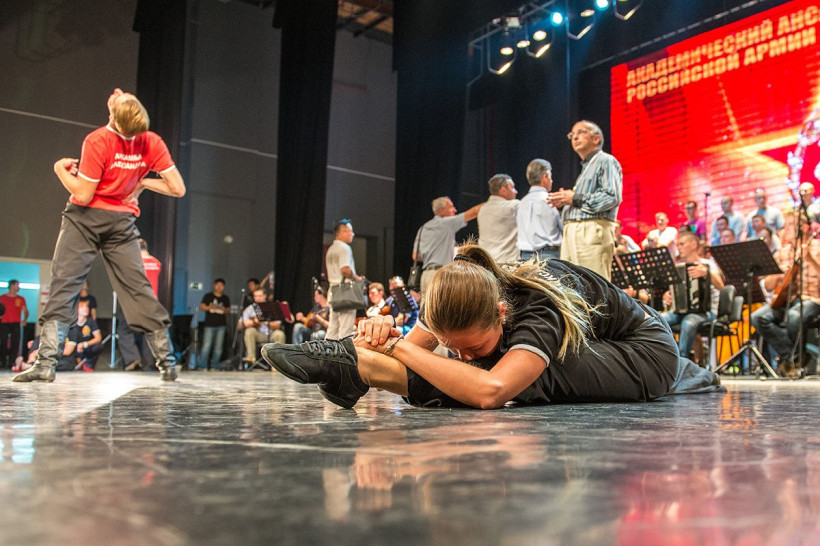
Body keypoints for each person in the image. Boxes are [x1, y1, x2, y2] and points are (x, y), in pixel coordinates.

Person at [260, 243, 723, 410]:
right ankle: (351, 372)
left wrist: (394, 350)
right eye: (454, 346)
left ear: (502, 313)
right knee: (476, 367)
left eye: (473, 346)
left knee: (522, 377)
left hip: (647, 351)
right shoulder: (462, 299)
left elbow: (490, 391)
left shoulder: (537, 307)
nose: (463, 356)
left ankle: (358, 373)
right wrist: (365, 340)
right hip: (599, 343)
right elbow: (425, 350)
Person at [13, 88, 185, 383]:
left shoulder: (98, 140)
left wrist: (59, 170)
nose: (118, 93)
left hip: (85, 219)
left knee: (64, 284)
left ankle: (45, 364)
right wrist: (143, 181)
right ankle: (167, 363)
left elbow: (83, 193)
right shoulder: (151, 141)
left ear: (114, 117)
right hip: (121, 222)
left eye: (122, 97)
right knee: (138, 289)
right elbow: (177, 188)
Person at [547, 120, 622, 280]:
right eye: (572, 134)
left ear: (596, 139)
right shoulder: (588, 166)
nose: (575, 137)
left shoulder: (606, 160)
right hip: (574, 232)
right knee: (572, 286)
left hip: (591, 231)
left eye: (581, 132)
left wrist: (574, 198)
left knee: (592, 285)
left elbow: (611, 196)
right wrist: (566, 201)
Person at [751, 216, 820, 377]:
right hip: (787, 300)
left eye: (789, 225)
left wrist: (810, 258)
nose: (784, 229)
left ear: (803, 228)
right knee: (758, 317)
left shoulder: (817, 246)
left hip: (813, 298)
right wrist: (778, 276)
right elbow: (768, 286)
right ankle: (794, 357)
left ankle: (791, 361)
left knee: (794, 315)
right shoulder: (783, 252)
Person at [660, 231, 724, 359]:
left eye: (682, 244)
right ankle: (665, 357)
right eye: (678, 245)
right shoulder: (678, 267)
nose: (679, 247)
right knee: (658, 319)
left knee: (688, 323)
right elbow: (674, 292)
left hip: (706, 312)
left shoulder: (708, 264)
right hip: (680, 312)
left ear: (694, 244)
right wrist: (666, 296)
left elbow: (721, 286)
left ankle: (681, 360)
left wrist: (706, 273)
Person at [413, 197, 483, 295]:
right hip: (440, 274)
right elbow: (473, 212)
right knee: (443, 304)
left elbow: (415, 256)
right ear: (442, 211)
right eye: (451, 207)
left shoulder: (423, 228)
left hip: (425, 276)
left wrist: (433, 255)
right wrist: (492, 202)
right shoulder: (446, 223)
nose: (455, 210)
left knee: (426, 304)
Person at [517, 159, 563, 260]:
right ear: (545, 177)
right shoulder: (549, 200)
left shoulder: (522, 202)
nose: (552, 181)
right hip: (548, 255)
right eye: (550, 177)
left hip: (524, 256)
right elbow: (563, 227)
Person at [326, 219, 363, 340]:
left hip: (333, 291)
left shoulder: (331, 249)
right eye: (350, 231)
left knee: (333, 329)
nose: (353, 234)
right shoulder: (344, 248)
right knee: (346, 330)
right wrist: (357, 278)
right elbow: (345, 269)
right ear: (342, 232)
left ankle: (327, 351)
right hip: (345, 293)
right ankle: (343, 352)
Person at [477, 174, 520, 262]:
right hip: (506, 263)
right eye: (512, 188)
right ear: (503, 190)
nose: (516, 191)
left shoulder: (482, 209)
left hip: (484, 263)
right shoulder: (513, 206)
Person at [241, 288, 285, 365]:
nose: (257, 298)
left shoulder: (273, 307)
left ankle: (277, 363)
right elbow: (243, 323)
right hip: (259, 334)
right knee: (249, 331)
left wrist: (264, 322)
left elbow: (278, 325)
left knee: (280, 334)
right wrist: (253, 322)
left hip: (271, 334)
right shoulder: (250, 308)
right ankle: (251, 357)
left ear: (265, 296)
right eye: (255, 296)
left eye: (260, 296)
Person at [198, 278, 230, 370]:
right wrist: (210, 307)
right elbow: (202, 307)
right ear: (214, 285)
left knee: (218, 347)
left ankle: (215, 365)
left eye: (221, 285)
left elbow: (228, 310)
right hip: (209, 324)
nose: (219, 287)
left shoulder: (225, 298)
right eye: (217, 285)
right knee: (206, 345)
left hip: (221, 324)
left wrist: (223, 309)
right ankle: (202, 365)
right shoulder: (208, 296)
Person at [63, 300, 102, 372]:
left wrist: (84, 344)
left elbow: (98, 338)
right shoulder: (71, 323)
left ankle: (89, 365)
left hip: (85, 348)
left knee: (98, 346)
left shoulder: (91, 322)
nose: (85, 309)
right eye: (82, 307)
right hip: (73, 347)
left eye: (86, 306)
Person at [0, 279, 29, 368]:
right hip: (4, 323)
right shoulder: (2, 298)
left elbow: (25, 310)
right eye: (17, 285)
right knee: (3, 343)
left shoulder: (20, 299)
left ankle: (11, 362)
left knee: (15, 343)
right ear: (12, 286)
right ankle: (2, 362)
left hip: (15, 324)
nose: (19, 287)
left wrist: (24, 319)